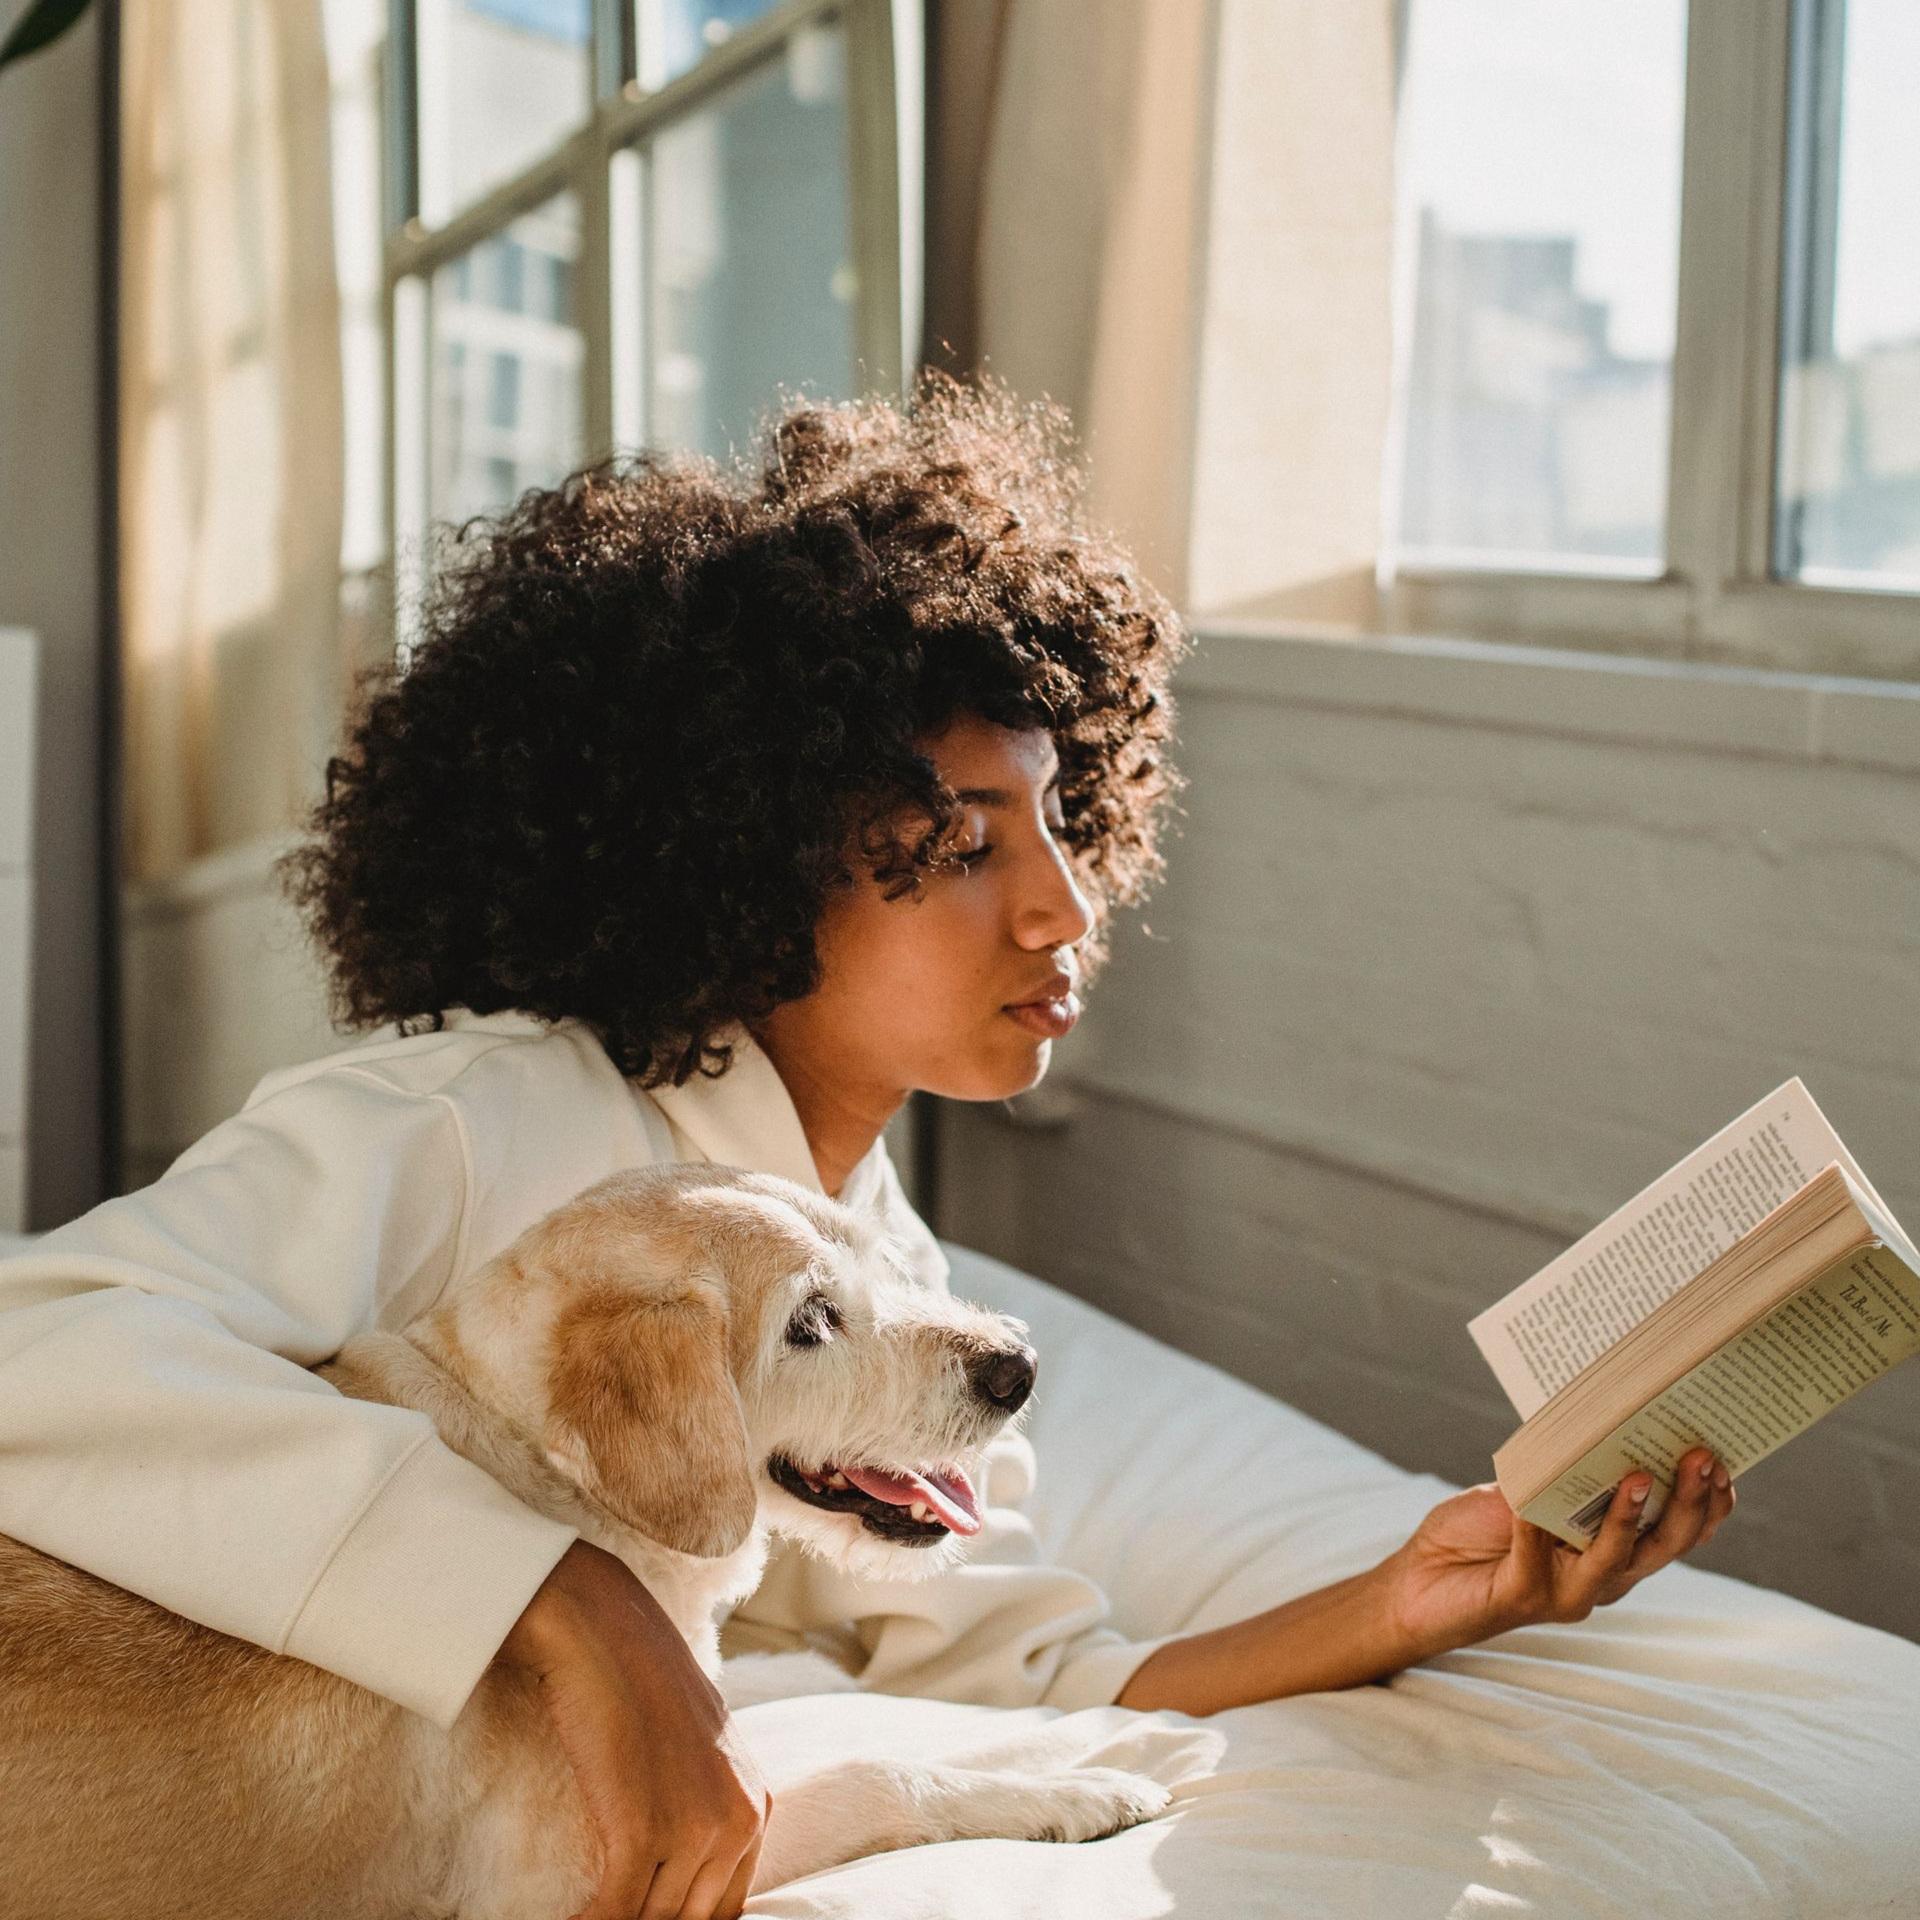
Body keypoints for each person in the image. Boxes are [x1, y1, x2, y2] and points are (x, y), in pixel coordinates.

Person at [0, 378, 1735, 1920]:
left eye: (1063, 818)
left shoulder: (880, 1263)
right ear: (742, 859)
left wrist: (1410, 1606)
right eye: (962, 840)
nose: (1066, 902)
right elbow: (40, 1348)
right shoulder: (470, 1121)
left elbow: (1036, 1673)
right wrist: (555, 1599)